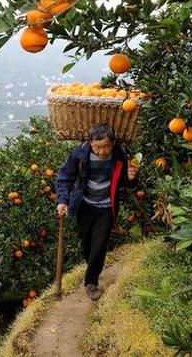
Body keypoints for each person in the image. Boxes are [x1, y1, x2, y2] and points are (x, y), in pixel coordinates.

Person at [55, 123, 139, 301]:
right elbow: (65, 178)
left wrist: (131, 178)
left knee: (99, 245)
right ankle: (92, 266)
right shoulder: (79, 155)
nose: (102, 152)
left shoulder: (119, 156)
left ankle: (91, 282)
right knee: (86, 244)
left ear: (113, 143)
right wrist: (62, 200)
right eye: (97, 147)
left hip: (107, 208)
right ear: (90, 143)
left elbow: (123, 181)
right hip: (84, 206)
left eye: (106, 146)